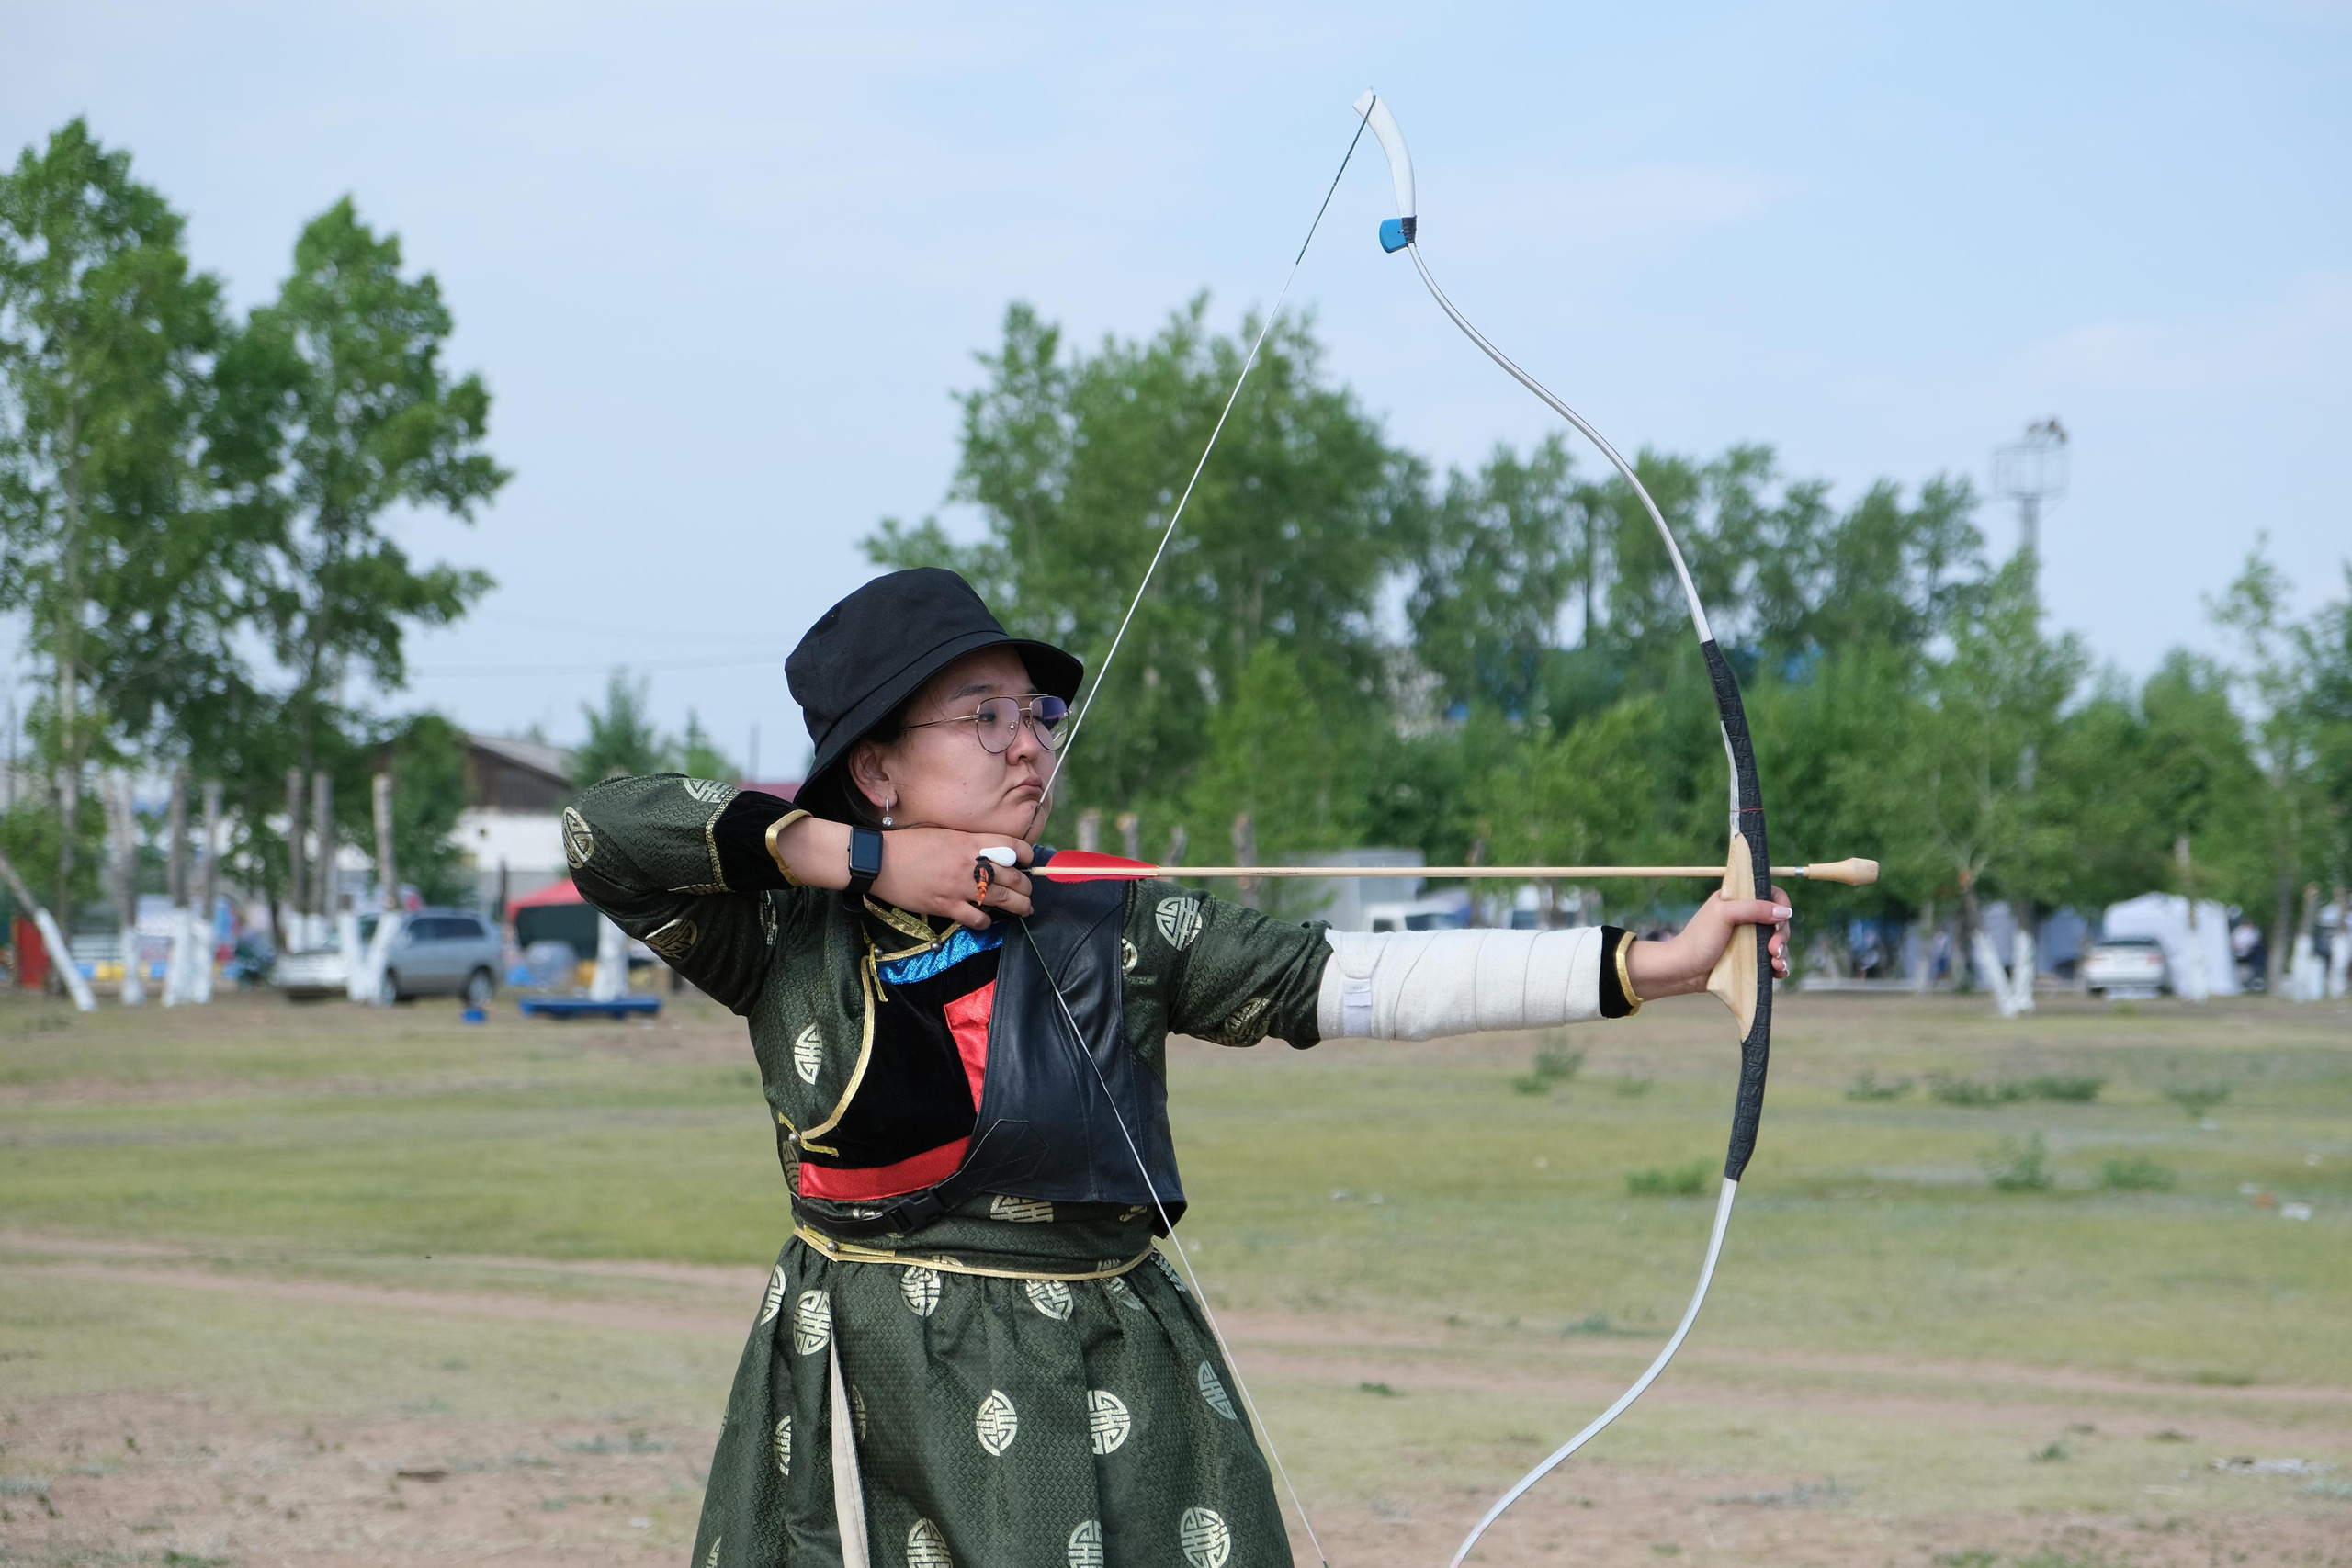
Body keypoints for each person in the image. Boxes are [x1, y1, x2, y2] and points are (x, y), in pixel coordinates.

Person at [566, 567, 1791, 1568]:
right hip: (870, 1380)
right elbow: (602, 832)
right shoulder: (786, 933)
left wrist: (1656, 964)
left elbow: (1346, 985)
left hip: (1109, 1374)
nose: (1027, 743)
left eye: (1035, 714)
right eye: (980, 714)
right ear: (877, 768)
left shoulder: (1116, 920)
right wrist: (860, 861)